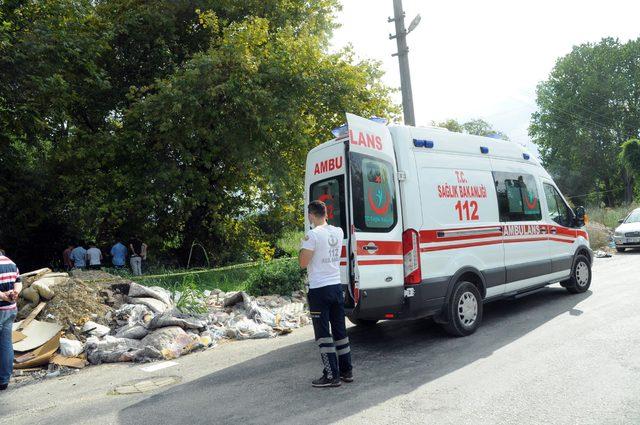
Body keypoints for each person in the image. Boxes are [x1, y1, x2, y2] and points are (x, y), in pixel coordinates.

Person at [299, 200, 353, 388]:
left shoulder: (312, 235)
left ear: (311, 215)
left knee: (323, 334)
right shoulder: (338, 231)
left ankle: (331, 376)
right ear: (326, 214)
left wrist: (303, 248)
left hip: (319, 290)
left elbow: (303, 263)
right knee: (340, 331)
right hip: (336, 286)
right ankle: (347, 371)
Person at [0, 250, 22, 390]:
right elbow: (18, 282)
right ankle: (3, 381)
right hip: (10, 309)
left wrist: (3, 296)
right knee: (6, 344)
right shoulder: (11, 263)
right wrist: (14, 293)